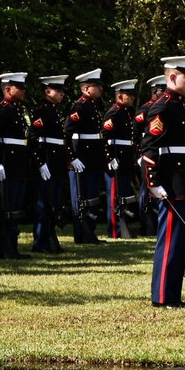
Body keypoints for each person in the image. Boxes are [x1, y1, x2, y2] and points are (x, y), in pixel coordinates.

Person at [140, 55, 185, 310]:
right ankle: (162, 296)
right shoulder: (163, 106)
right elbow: (148, 149)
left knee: (180, 243)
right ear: (173, 77)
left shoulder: (180, 105)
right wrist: (153, 183)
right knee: (170, 243)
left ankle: (172, 295)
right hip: (173, 184)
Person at [0, 71, 32, 260]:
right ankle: (1, 248)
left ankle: (11, 247)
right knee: (3, 207)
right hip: (6, 164)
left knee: (14, 208)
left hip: (18, 165)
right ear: (7, 89)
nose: (23, 91)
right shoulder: (3, 110)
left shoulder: (16, 109)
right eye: (19, 88)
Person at [30, 74, 69, 254]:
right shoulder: (42, 112)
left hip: (57, 164)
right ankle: (40, 242)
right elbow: (34, 139)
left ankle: (49, 241)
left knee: (52, 204)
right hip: (48, 164)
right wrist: (40, 163)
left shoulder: (53, 111)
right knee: (43, 204)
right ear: (47, 91)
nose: (62, 94)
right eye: (58, 91)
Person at [68, 69, 106, 244]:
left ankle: (90, 231)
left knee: (92, 197)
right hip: (83, 158)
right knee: (82, 197)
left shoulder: (93, 106)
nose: (100, 89)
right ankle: (82, 233)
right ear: (86, 88)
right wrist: (72, 157)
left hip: (94, 158)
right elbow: (68, 132)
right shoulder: (79, 107)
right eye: (96, 86)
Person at [103, 79, 138, 239]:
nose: (133, 98)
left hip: (125, 161)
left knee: (123, 195)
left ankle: (124, 228)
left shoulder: (124, 112)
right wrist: (109, 157)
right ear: (119, 96)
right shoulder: (114, 112)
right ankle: (115, 231)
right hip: (116, 160)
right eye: (129, 95)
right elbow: (104, 137)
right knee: (114, 198)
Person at [135, 73, 167, 234]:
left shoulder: (166, 107)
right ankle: (147, 224)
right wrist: (139, 155)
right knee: (147, 191)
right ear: (155, 92)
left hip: (161, 155)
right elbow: (135, 133)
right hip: (148, 155)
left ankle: (158, 223)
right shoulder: (146, 109)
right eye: (163, 90)